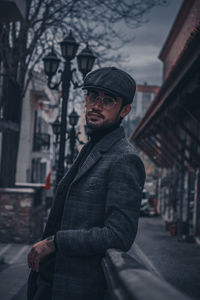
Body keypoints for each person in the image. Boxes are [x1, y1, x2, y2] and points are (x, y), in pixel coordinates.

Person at [27, 66, 146, 300]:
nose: (96, 105)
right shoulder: (92, 148)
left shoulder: (125, 158)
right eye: (92, 95)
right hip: (51, 282)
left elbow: (119, 235)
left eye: (108, 100)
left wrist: (56, 242)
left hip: (78, 287)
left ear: (125, 110)